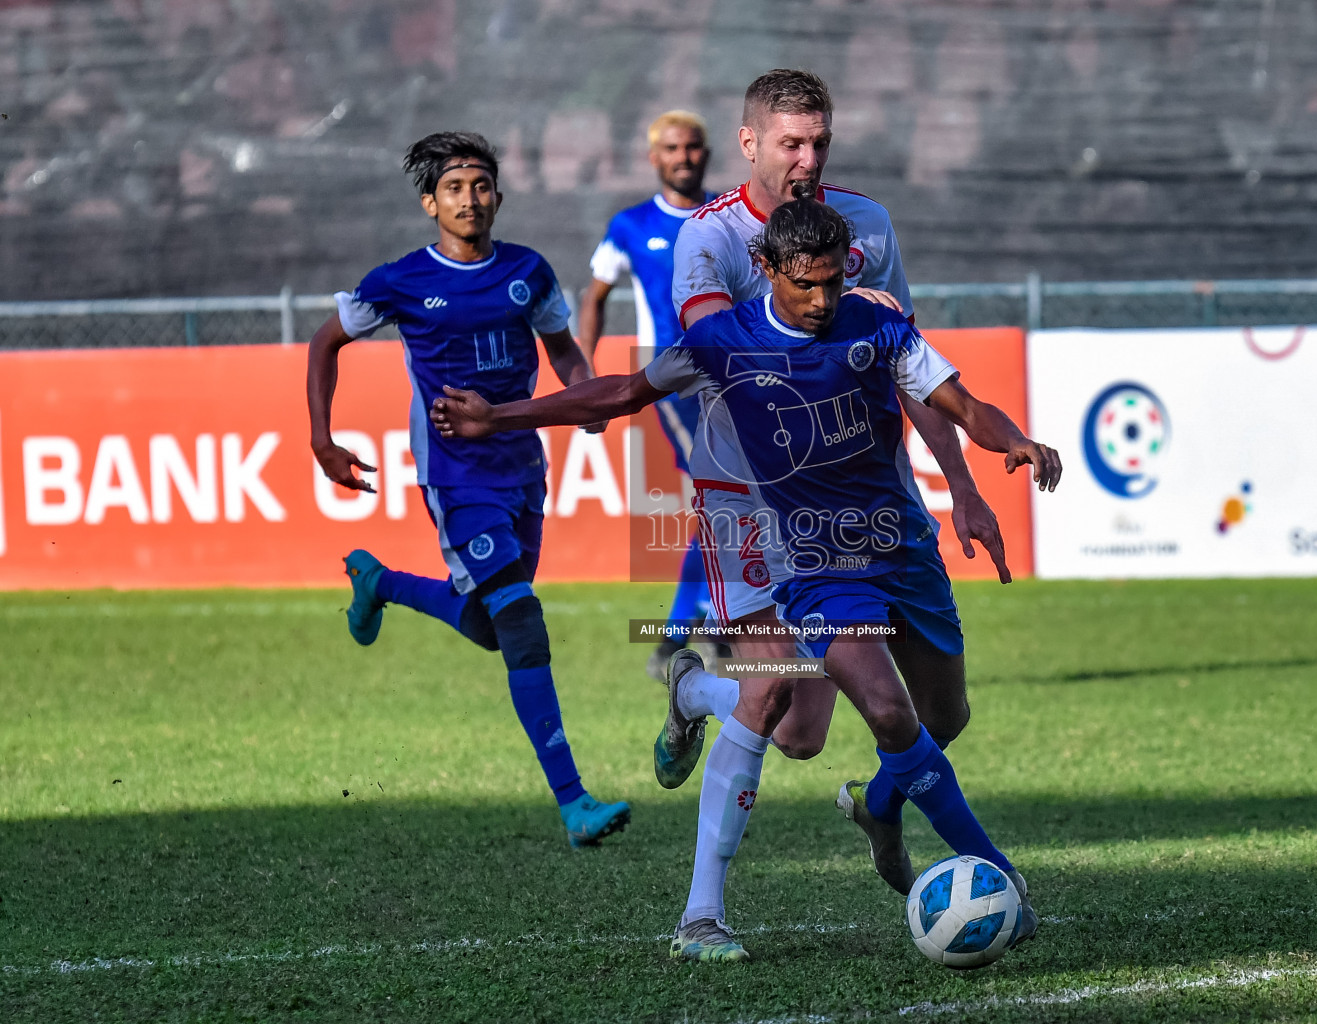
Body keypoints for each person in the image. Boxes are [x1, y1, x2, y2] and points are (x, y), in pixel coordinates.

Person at [432, 198, 1061, 960]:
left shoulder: (878, 325)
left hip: (903, 549)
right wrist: (496, 417)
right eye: (808, 286)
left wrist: (1013, 440)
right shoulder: (721, 342)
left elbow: (957, 402)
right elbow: (621, 393)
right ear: (766, 271)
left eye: (833, 283)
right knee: (887, 713)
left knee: (939, 722)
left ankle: (873, 804)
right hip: (815, 564)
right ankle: (1001, 878)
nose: (824, 301)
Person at [651, 69, 1012, 950]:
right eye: (789, 143)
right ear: (750, 145)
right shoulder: (708, 242)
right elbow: (725, 357)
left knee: (824, 734)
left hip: (862, 503)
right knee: (777, 688)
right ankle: (702, 915)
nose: (807, 159)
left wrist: (960, 482)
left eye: (819, 142)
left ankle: (700, 693)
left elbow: (909, 369)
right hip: (750, 496)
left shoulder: (869, 228)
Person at [304, 130, 631, 849]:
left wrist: (585, 399)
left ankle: (381, 583)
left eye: (481, 185)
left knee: (489, 626)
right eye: (454, 188)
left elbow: (564, 349)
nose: (470, 198)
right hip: (456, 479)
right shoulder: (400, 281)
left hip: (522, 469)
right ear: (429, 203)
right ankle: (574, 802)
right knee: (520, 624)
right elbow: (326, 341)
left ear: (498, 196)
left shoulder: (529, 272)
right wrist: (322, 439)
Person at [576, 110, 724, 680]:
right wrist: (586, 372)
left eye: (692, 148)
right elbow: (593, 296)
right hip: (674, 379)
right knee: (722, 497)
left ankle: (690, 634)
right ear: (653, 158)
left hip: (734, 375)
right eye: (672, 149)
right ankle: (693, 631)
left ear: (705, 154)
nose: (683, 157)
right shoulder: (631, 226)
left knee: (729, 502)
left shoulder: (728, 216)